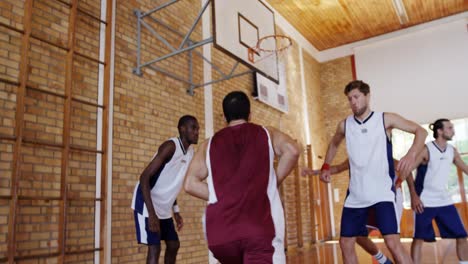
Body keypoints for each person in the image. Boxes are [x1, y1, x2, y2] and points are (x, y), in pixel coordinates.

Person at [184, 91, 301, 264]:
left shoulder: (208, 144)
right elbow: (292, 150)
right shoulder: (266, 133)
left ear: (224, 117)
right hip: (259, 230)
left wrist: (223, 194)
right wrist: (272, 182)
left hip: (221, 236)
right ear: (250, 114)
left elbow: (189, 184)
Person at [320, 80, 427, 264]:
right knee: (345, 242)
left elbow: (420, 131)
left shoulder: (385, 119)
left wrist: (410, 155)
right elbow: (334, 143)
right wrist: (326, 165)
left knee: (393, 242)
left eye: (356, 97)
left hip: (381, 194)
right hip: (355, 196)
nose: (353, 102)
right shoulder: (344, 125)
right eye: (350, 99)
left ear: (367, 96)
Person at [303, 159, 423, 264]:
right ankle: (384, 261)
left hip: (388, 199)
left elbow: (407, 171)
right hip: (366, 200)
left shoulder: (384, 155)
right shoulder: (356, 155)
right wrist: (314, 172)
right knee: (359, 235)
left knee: (392, 242)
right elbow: (338, 168)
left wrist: (413, 194)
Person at [131, 115, 199, 264]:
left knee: (174, 245)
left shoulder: (190, 153)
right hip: (146, 203)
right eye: (193, 128)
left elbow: (171, 184)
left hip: (162, 208)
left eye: (197, 128)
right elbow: (144, 178)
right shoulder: (170, 147)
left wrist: (176, 211)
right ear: (182, 129)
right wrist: (151, 214)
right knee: (155, 248)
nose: (197, 132)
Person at [410, 119, 468, 264]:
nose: (453, 130)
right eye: (449, 128)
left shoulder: (451, 151)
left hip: (444, 200)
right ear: (440, 131)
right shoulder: (426, 150)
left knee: (462, 236)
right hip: (424, 201)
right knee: (418, 238)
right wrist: (414, 196)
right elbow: (406, 171)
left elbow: (465, 167)